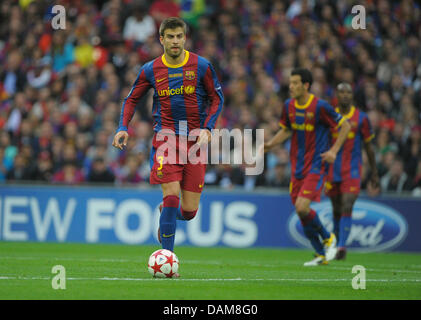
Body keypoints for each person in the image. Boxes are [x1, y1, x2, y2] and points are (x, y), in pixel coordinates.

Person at [112, 17, 223, 276]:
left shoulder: (202, 66)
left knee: (189, 211)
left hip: (195, 142)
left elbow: (217, 99)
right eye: (170, 37)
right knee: (171, 195)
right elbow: (130, 100)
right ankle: (168, 259)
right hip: (166, 140)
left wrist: (208, 129)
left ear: (185, 38)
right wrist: (122, 127)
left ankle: (167, 214)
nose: (175, 41)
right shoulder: (150, 69)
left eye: (179, 36)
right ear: (161, 39)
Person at [262, 68, 351, 266]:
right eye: (290, 82)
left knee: (303, 207)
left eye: (295, 83)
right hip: (297, 166)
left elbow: (345, 126)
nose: (291, 86)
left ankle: (329, 238)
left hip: (316, 165)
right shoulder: (289, 106)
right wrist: (270, 145)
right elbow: (287, 130)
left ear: (306, 86)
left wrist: (334, 151)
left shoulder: (320, 107)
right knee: (300, 211)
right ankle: (320, 254)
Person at [325, 83, 380, 260]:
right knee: (336, 209)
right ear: (337, 95)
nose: (345, 95)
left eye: (348, 92)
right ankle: (335, 243)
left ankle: (341, 246)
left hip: (353, 170)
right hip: (332, 170)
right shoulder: (329, 116)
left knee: (347, 204)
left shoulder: (361, 118)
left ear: (352, 95)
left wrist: (374, 173)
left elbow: (369, 147)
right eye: (342, 92)